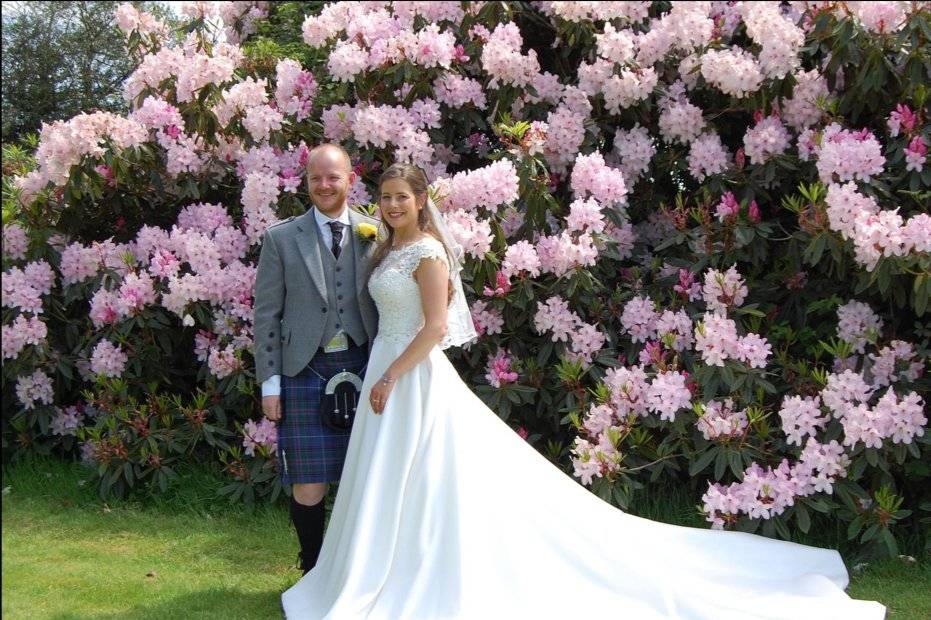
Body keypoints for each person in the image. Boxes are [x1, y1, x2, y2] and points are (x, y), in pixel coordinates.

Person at [281, 163, 885, 619]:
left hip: (408, 374)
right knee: (390, 477)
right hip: (387, 367)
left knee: (429, 475)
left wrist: (388, 375)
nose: (391, 205)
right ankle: (377, 567)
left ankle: (419, 573)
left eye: (401, 198)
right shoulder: (384, 245)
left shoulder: (429, 252)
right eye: (385, 197)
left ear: (421, 202)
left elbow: (437, 327)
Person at [253, 144, 380, 575]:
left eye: (333, 177)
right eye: (315, 178)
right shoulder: (281, 238)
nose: (324, 185)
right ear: (306, 181)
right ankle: (313, 569)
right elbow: (266, 314)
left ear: (350, 179)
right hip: (304, 369)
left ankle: (359, 570)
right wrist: (270, 383)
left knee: (367, 479)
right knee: (309, 482)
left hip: (366, 365)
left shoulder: (377, 232)